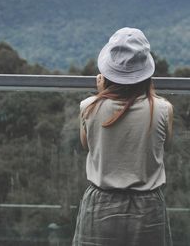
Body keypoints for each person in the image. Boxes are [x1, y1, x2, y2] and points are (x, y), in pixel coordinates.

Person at [72, 27, 173, 246]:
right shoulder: (163, 109)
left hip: (100, 204)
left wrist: (100, 96)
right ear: (146, 73)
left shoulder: (89, 107)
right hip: (147, 207)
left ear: (107, 73)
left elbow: (86, 144)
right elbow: (166, 144)